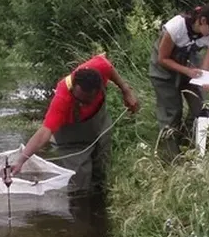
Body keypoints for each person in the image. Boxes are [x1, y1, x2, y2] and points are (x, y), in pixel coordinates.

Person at [11, 54, 139, 196]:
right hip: (71, 138)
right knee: (80, 183)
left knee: (102, 168)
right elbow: (44, 133)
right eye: (80, 100)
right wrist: (21, 160)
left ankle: (101, 203)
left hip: (99, 124)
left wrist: (126, 90)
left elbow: (108, 66)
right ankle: (80, 212)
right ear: (73, 89)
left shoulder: (100, 67)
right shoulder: (62, 98)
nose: (83, 104)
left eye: (88, 100)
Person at [148, 1, 209, 159]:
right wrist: (187, 71)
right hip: (163, 71)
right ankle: (170, 159)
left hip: (190, 66)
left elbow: (207, 64)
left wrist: (206, 80)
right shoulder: (176, 27)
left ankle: (192, 147)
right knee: (172, 113)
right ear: (203, 20)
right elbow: (162, 59)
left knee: (201, 108)